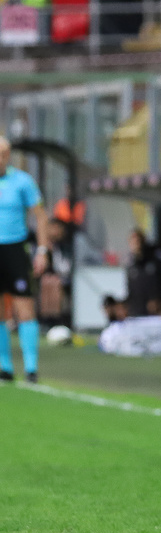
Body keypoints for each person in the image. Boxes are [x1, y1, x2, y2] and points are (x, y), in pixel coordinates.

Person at [0, 136, 51, 383]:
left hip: (16, 249)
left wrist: (42, 250)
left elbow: (40, 216)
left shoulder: (22, 181)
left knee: (24, 307)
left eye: (3, 155)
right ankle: (5, 367)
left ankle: (31, 368)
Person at [125, 229, 161, 318]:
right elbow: (130, 291)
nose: (136, 244)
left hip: (156, 313)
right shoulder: (130, 267)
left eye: (138, 241)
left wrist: (158, 299)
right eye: (133, 242)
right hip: (136, 313)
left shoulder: (156, 262)